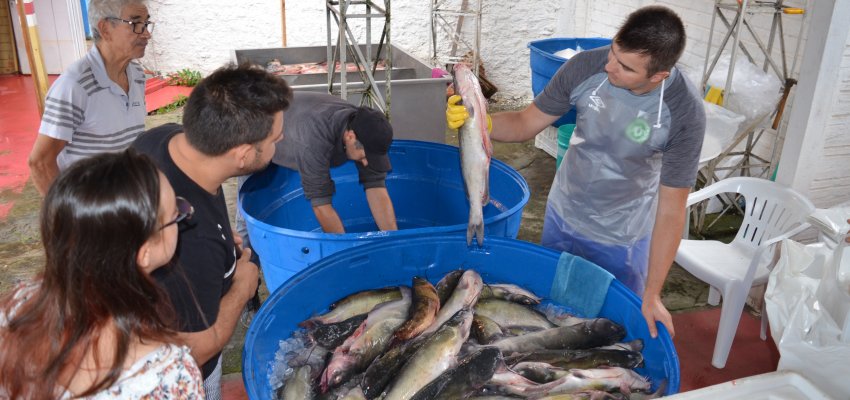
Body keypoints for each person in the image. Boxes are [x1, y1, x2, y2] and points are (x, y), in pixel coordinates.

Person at [447, 6, 705, 338]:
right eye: (613, 51)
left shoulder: (684, 112)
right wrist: (480, 121)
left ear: (658, 76)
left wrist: (653, 294)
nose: (609, 66)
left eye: (625, 67)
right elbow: (526, 123)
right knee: (552, 310)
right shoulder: (585, 66)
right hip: (563, 213)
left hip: (622, 233)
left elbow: (671, 210)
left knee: (608, 328)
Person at [132, 63, 292, 398]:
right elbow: (195, 351)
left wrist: (220, 234)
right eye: (275, 139)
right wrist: (242, 287)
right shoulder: (192, 239)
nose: (281, 142)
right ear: (244, 155)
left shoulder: (161, 139)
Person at [0, 150, 203, 399]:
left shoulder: (15, 309)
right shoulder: (168, 376)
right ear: (144, 253)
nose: (182, 213)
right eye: (176, 213)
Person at [28, 0, 153, 195]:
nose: (147, 33)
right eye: (136, 24)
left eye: (146, 24)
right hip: (91, 211)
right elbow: (40, 162)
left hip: (125, 201)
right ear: (105, 28)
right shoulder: (74, 86)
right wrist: (66, 217)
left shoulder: (136, 74)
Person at [269, 91, 397, 233]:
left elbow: (376, 187)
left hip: (296, 121)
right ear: (350, 137)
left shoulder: (362, 125)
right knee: (251, 214)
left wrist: (393, 241)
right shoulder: (314, 140)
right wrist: (346, 252)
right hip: (259, 128)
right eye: (365, 157)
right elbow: (321, 206)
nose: (366, 163)